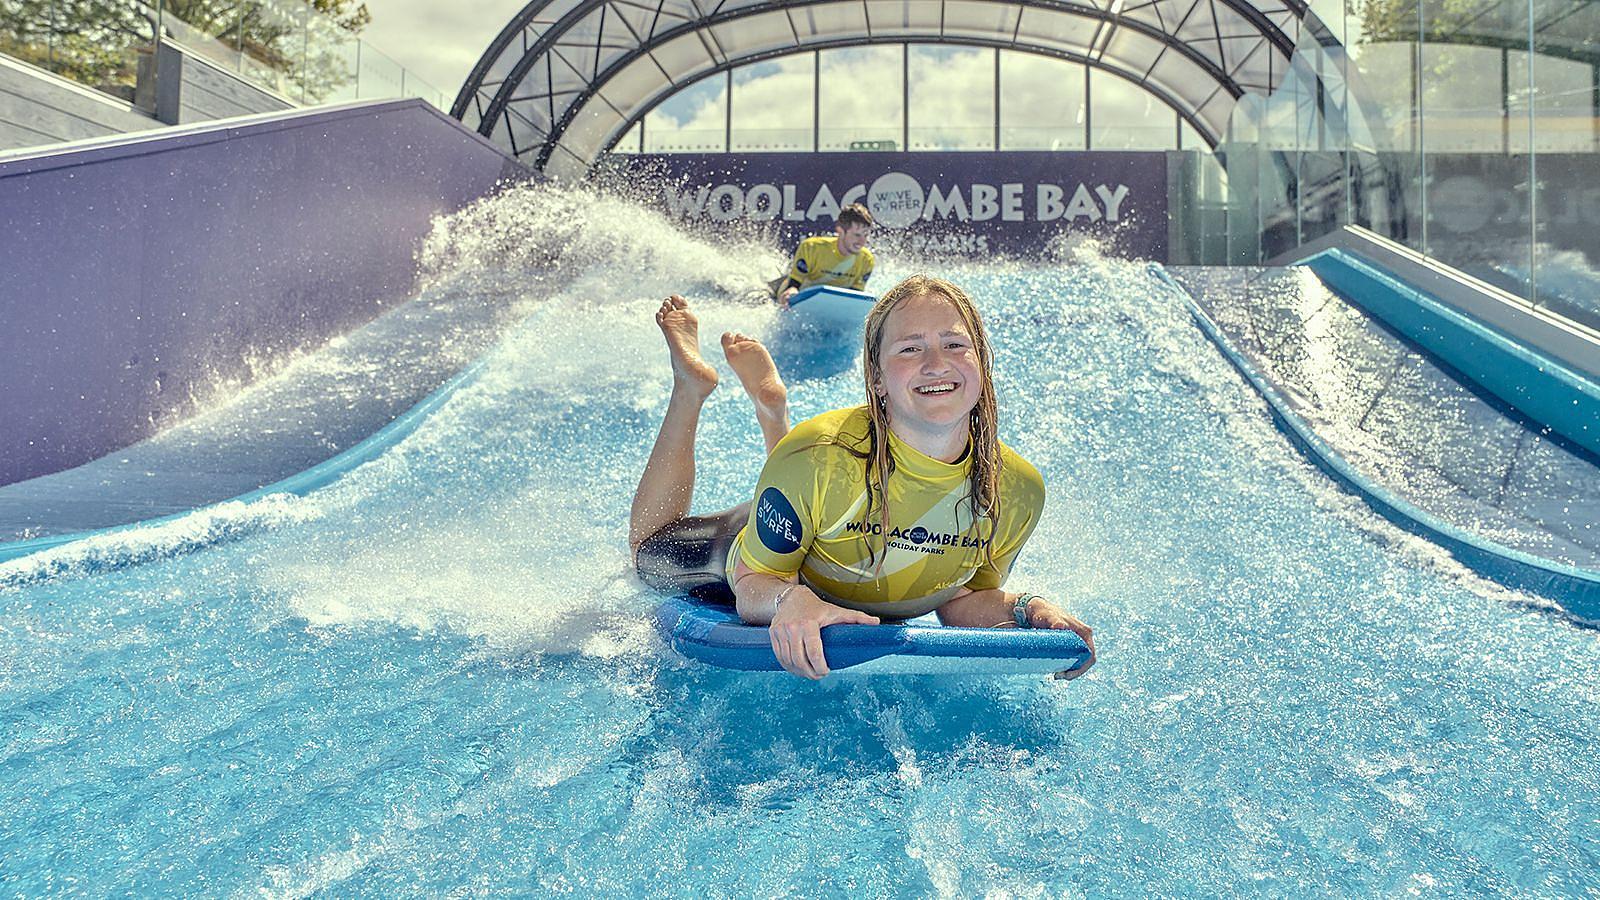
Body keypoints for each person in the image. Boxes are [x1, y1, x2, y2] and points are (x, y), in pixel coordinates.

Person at [629, 275, 1095, 680]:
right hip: (750, 545)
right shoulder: (816, 454)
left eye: (955, 344)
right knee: (646, 549)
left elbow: (963, 598)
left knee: (822, 485)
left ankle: (773, 411)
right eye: (911, 349)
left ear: (982, 362)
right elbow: (756, 579)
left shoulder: (1015, 488)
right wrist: (789, 601)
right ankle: (691, 388)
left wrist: (1028, 608)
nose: (936, 362)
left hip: (816, 504)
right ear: (875, 377)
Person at [775, 203, 876, 305]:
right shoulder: (811, 248)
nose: (862, 242)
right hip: (793, 293)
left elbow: (854, 298)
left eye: (865, 235)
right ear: (840, 231)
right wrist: (790, 293)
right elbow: (794, 284)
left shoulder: (866, 260)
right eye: (857, 235)